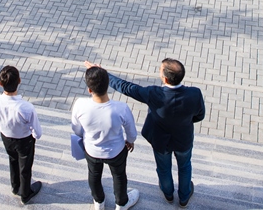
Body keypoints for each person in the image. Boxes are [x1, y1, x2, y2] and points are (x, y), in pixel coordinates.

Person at [87, 59, 204, 207]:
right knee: (185, 166)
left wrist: (102, 74)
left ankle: (168, 194)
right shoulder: (195, 94)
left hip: (161, 141)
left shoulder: (154, 93)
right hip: (184, 139)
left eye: (161, 70)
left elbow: (126, 87)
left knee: (163, 167)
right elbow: (200, 115)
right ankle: (184, 197)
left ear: (165, 78)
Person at [72, 66, 139, 210]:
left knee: (94, 175)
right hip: (116, 151)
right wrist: (130, 141)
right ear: (108, 85)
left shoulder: (80, 105)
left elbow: (76, 129)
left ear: (89, 89)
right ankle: (121, 203)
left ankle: (99, 201)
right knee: (119, 176)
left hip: (91, 150)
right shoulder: (121, 108)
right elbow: (132, 132)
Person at [0, 65, 43, 204]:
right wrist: (32, 134)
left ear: (0, 83)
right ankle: (25, 193)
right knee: (25, 166)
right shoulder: (26, 107)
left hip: (6, 137)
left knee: (12, 159)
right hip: (24, 141)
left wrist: (1, 122)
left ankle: (15, 186)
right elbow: (38, 133)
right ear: (19, 81)